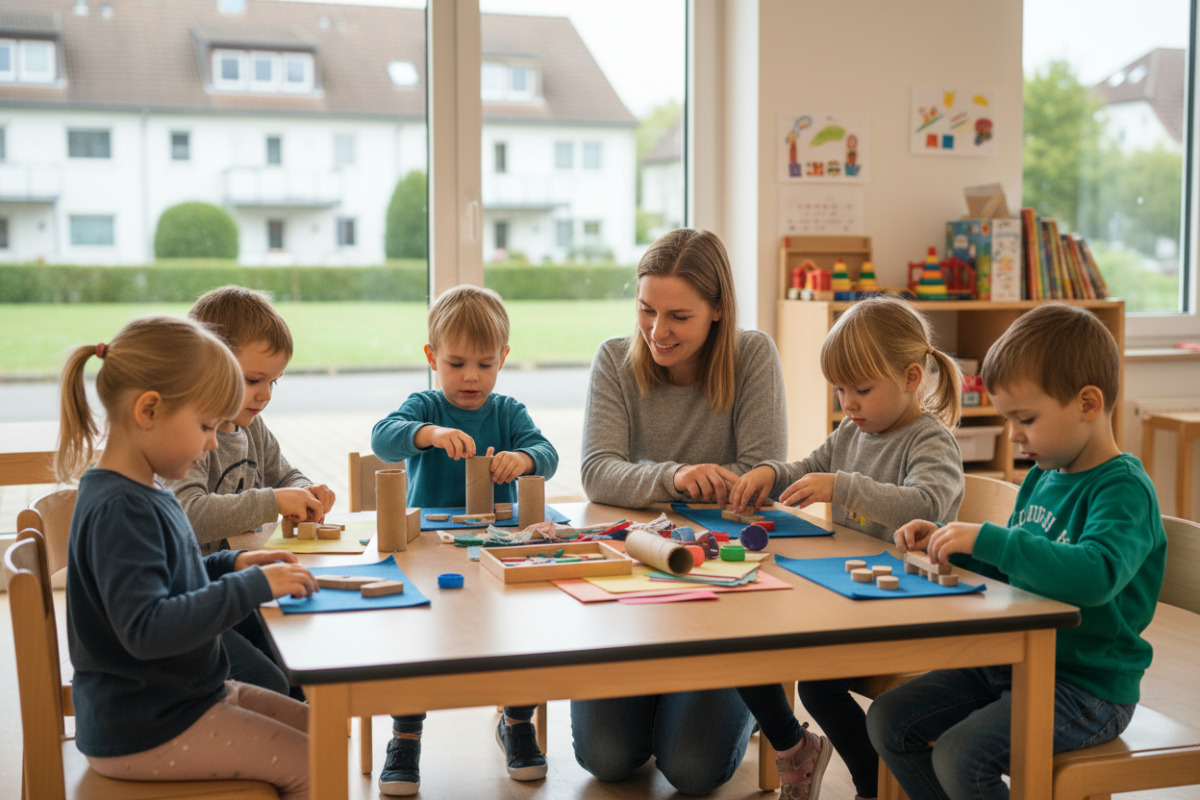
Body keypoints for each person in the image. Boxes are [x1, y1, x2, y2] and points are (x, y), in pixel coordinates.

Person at [866, 303, 1166, 800]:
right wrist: (948, 542)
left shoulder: (1123, 490)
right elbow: (1016, 569)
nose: (1013, 435)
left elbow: (1095, 576)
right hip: (1013, 660)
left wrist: (987, 538)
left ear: (1088, 403)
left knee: (962, 754)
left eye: (1025, 418)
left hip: (1085, 686)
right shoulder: (1043, 478)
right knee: (889, 720)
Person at [57, 315, 318, 799]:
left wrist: (232, 565)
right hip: (145, 728)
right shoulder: (120, 510)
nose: (213, 442)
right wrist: (251, 588)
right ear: (149, 410)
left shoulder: (141, 493)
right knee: (316, 763)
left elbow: (173, 577)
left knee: (320, 734)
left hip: (179, 701)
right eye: (204, 425)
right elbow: (148, 628)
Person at [574, 227, 786, 795]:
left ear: (718, 309)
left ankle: (734, 706)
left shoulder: (753, 354)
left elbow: (764, 465)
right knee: (607, 757)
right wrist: (676, 475)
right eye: (647, 310)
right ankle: (669, 694)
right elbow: (597, 469)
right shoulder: (616, 359)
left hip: (722, 593)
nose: (658, 331)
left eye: (679, 317)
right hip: (635, 586)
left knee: (691, 771)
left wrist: (731, 481)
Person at [728, 296, 966, 800]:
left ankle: (871, 783)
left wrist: (842, 487)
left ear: (910, 377)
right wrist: (772, 474)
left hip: (909, 611)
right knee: (748, 640)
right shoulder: (851, 432)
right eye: (839, 390)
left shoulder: (930, 441)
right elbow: (810, 468)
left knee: (815, 680)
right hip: (854, 600)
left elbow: (926, 504)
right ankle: (864, 777)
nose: (848, 404)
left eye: (861, 389)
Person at [371, 284, 559, 795]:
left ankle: (518, 724)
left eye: (484, 364)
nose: (471, 377)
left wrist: (524, 460)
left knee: (520, 632)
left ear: (503, 359)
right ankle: (405, 735)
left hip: (495, 543)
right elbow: (382, 436)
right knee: (416, 638)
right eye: (456, 364)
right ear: (432, 358)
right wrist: (427, 434)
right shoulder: (425, 404)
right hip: (429, 546)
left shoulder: (508, 412)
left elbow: (548, 451)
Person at [164, 285, 334, 699]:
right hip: (193, 604)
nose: (265, 395)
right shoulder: (186, 437)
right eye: (253, 380)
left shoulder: (250, 426)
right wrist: (274, 501)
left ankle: (309, 750)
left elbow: (284, 474)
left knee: (301, 662)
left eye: (274, 381)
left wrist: (303, 491)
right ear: (208, 366)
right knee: (274, 681)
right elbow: (188, 512)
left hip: (230, 586)